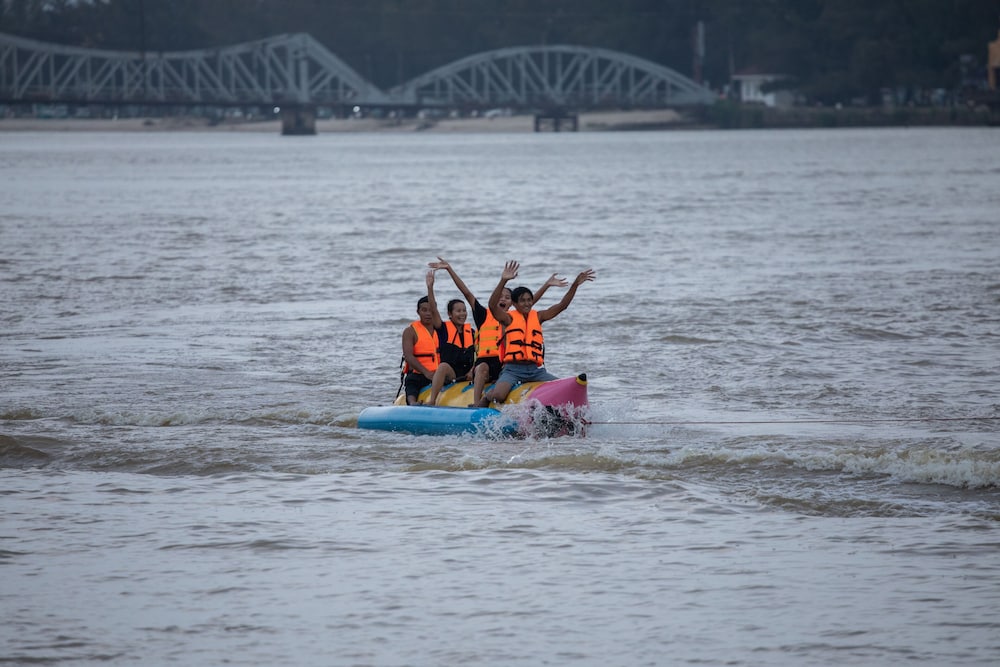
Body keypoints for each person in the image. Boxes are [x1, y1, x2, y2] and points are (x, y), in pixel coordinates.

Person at [428, 257, 567, 406]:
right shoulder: (483, 315)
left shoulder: (514, 317)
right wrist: (449, 269)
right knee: (482, 368)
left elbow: (531, 301)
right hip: (486, 362)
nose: (503, 299)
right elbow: (467, 293)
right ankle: (477, 403)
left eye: (507, 297)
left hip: (504, 364)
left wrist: (546, 285)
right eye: (501, 296)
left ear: (512, 302)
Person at [479, 260, 595, 406]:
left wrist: (575, 285)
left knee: (561, 388)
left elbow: (562, 306)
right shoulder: (508, 318)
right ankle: (486, 396)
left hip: (536, 370)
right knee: (499, 395)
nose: (527, 303)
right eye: (522, 301)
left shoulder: (538, 316)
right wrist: (503, 280)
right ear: (514, 304)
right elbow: (492, 305)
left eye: (529, 300)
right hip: (513, 369)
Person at [426, 296, 476, 405]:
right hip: (451, 373)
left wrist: (472, 370)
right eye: (458, 311)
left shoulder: (471, 332)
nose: (462, 314)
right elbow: (433, 310)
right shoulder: (443, 330)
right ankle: (432, 400)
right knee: (443, 366)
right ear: (450, 314)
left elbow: (479, 354)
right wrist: (430, 287)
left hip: (468, 373)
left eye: (464, 310)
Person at [400, 271, 441, 405]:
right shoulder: (410, 331)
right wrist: (426, 372)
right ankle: (412, 402)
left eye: (431, 310)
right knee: (412, 382)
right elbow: (409, 356)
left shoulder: (441, 329)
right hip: (419, 374)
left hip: (438, 374)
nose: (428, 314)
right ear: (418, 312)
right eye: (424, 310)